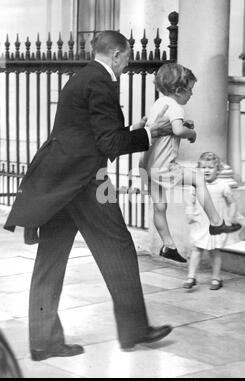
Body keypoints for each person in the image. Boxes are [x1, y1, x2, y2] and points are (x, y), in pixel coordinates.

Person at [3, 31, 173, 361]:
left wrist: (135, 130)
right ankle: (134, 331)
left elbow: (95, 133)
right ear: (116, 55)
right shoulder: (101, 82)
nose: (127, 64)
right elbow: (109, 145)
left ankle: (43, 343)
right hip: (84, 181)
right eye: (126, 58)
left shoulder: (85, 77)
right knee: (120, 247)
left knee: (51, 260)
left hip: (60, 180)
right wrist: (153, 133)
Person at [139, 63, 241, 263]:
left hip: (149, 165)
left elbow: (165, 128)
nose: (191, 95)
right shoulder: (176, 106)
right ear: (178, 91)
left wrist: (183, 126)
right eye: (190, 91)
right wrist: (191, 133)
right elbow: (177, 131)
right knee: (198, 179)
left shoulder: (159, 104)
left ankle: (168, 246)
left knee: (160, 207)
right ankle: (216, 221)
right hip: (164, 165)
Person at [183, 152, 245, 290]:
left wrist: (229, 219)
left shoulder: (223, 186)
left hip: (216, 225)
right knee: (196, 249)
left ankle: (216, 278)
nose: (206, 170)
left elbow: (232, 203)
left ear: (218, 170)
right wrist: (189, 214)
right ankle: (191, 277)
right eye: (203, 167)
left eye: (211, 167)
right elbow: (189, 201)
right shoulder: (196, 185)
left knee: (215, 251)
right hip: (201, 222)